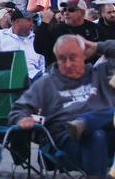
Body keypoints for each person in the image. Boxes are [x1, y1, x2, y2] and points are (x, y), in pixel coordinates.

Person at [9, 35, 115, 178]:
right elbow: (19, 109)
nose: (68, 64)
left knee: (98, 130)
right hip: (68, 140)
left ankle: (86, 121)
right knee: (95, 135)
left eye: (73, 57)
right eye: (62, 58)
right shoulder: (46, 83)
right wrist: (22, 119)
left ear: (84, 55)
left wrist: (97, 47)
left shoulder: (99, 73)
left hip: (109, 134)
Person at [35, 0, 99, 66]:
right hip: (62, 73)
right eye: (64, 10)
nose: (66, 13)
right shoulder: (56, 30)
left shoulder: (94, 28)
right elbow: (39, 48)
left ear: (82, 12)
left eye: (71, 10)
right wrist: (45, 23)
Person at [0, 9, 44, 80]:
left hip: (34, 77)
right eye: (29, 20)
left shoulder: (36, 39)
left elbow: (43, 65)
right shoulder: (0, 35)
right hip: (8, 76)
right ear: (17, 22)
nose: (32, 24)